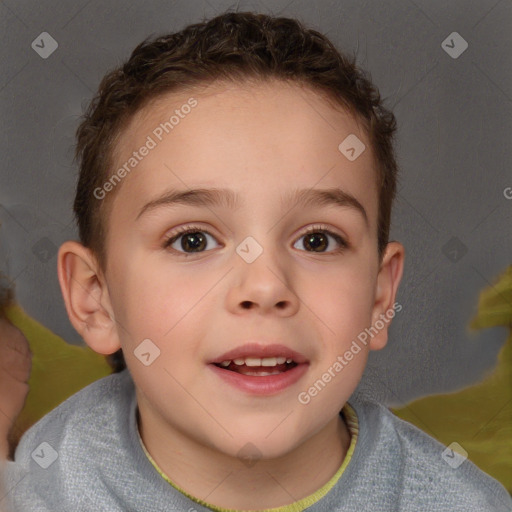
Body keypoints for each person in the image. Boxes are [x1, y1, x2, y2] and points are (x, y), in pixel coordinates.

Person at [2, 11, 511, 512]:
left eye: (317, 241)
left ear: (380, 297)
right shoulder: (28, 493)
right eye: (193, 241)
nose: (265, 286)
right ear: (96, 297)